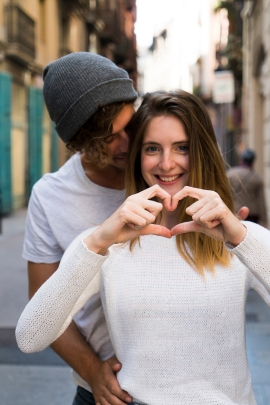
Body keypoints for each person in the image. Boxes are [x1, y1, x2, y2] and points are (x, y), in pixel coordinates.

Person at [16, 90, 267, 405]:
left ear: (202, 151)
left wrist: (242, 237)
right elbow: (30, 336)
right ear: (137, 156)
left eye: (182, 148)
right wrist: (96, 241)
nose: (167, 163)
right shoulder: (109, 245)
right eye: (152, 148)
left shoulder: (240, 239)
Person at [23, 51, 138, 405]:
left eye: (130, 127)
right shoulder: (50, 196)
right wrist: (91, 370)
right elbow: (42, 304)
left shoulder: (161, 166)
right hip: (101, 390)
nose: (126, 144)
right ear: (79, 141)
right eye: (109, 137)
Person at [227, 148, 268, 227]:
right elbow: (261, 201)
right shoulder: (257, 178)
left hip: (235, 212)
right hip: (252, 216)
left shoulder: (230, 174)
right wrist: (264, 220)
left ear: (241, 159)